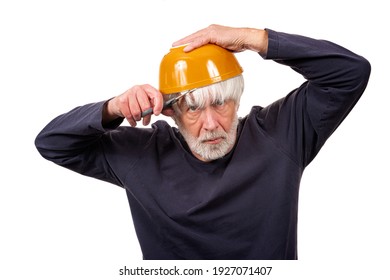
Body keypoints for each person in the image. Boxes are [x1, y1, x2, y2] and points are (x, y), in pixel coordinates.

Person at [35, 24, 371, 260]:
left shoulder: (279, 135)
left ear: (237, 100)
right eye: (193, 108)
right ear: (172, 112)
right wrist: (113, 108)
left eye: (221, 103)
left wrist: (254, 38)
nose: (211, 124)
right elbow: (52, 143)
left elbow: (351, 72)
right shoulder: (141, 153)